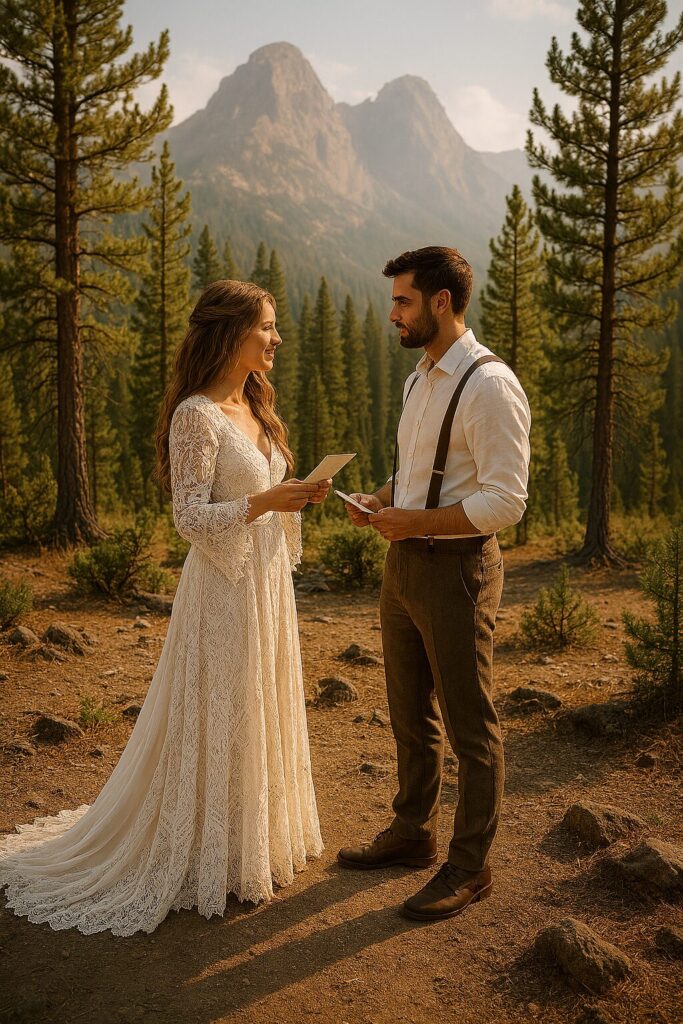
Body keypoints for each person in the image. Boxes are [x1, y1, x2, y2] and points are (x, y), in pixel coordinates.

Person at [0, 279, 330, 936]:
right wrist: (270, 501)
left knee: (253, 706)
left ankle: (242, 849)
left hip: (263, 584)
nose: (276, 338)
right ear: (231, 333)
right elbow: (187, 516)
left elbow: (257, 494)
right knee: (218, 711)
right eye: (266, 326)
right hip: (221, 590)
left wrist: (292, 496)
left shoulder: (254, 405)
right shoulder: (196, 415)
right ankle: (200, 851)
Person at [337, 246, 531, 922]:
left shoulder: (488, 384)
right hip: (403, 567)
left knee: (469, 725)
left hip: (458, 570)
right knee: (407, 712)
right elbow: (423, 470)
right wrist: (381, 499)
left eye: (403, 301)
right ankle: (412, 834)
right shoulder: (420, 377)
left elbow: (506, 502)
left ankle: (469, 865)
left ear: (441, 303)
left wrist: (413, 518)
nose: (392, 313)